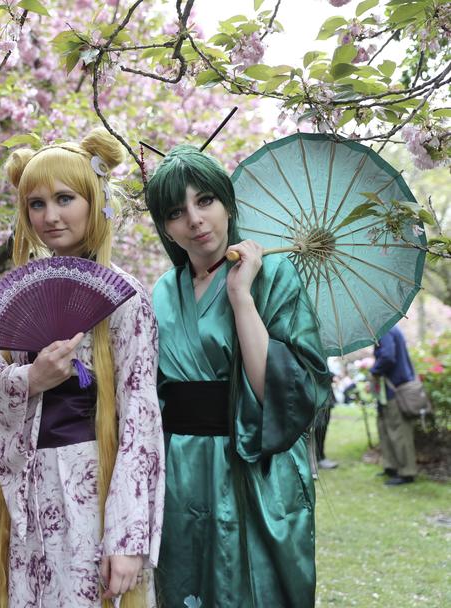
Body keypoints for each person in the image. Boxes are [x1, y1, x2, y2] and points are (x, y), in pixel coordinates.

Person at [0, 129, 165, 607]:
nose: (50, 216)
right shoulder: (18, 291)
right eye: (36, 204)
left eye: (64, 198)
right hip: (30, 484)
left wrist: (127, 538)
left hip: (93, 483)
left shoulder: (125, 297)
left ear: (94, 199)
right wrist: (32, 379)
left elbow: (140, 420)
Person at [144, 145, 331, 607]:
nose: (195, 219)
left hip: (254, 462)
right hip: (182, 468)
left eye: (205, 200)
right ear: (165, 226)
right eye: (176, 211)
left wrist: (241, 295)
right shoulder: (162, 292)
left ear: (228, 203)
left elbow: (286, 393)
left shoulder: (276, 274)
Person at [371, 325, 417, 485]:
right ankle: (391, 467)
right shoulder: (386, 328)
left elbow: (388, 356)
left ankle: (406, 473)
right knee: (385, 428)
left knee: (399, 431)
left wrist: (374, 371)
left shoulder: (385, 328)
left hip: (395, 390)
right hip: (389, 391)